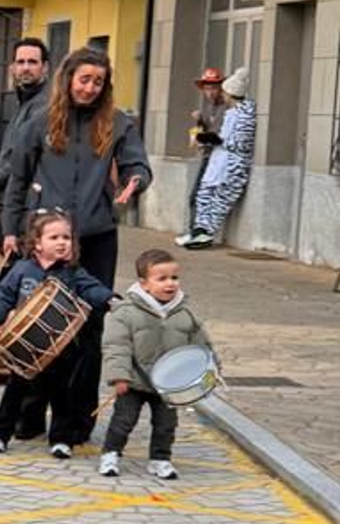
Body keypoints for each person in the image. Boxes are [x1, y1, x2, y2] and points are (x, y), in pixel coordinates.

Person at [0, 47, 149, 441]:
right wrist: (11, 230)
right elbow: (17, 178)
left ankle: (76, 422)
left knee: (88, 330)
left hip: (96, 238)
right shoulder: (40, 121)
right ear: (68, 79)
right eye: (84, 79)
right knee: (37, 325)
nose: (90, 87)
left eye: (98, 82)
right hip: (45, 238)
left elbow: (137, 165)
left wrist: (135, 181)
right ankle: (28, 417)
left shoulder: (118, 123)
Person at [0, 210, 114, 459]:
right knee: (14, 393)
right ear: (37, 244)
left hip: (60, 347)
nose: (62, 242)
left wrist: (110, 299)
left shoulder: (73, 272)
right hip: (25, 348)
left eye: (67, 237)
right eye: (54, 237)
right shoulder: (21, 269)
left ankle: (61, 439)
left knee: (62, 394)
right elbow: (4, 297)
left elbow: (92, 289)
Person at [100, 249, 217, 482]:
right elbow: (116, 346)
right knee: (124, 421)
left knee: (166, 425)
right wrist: (119, 377)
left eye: (174, 277)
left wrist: (210, 373)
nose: (170, 284)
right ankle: (111, 453)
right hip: (134, 380)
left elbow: (201, 348)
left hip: (170, 385)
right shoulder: (125, 313)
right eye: (161, 278)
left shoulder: (186, 314)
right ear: (143, 284)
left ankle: (160, 459)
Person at [182, 71, 254, 248]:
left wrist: (206, 139)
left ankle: (205, 233)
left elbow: (238, 143)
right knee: (203, 196)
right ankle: (199, 231)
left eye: (222, 90)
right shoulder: (232, 112)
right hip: (218, 160)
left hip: (230, 166)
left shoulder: (243, 114)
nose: (220, 94)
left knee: (219, 200)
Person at [0, 35, 51, 210]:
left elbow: (24, 157)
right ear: (12, 68)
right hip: (16, 198)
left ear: (45, 67)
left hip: (33, 204)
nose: (26, 68)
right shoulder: (24, 101)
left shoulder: (44, 105)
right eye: (20, 62)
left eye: (32, 62)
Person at [184, 67, 226, 234]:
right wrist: (200, 121)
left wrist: (202, 137)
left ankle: (197, 232)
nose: (210, 93)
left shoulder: (225, 108)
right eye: (207, 89)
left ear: (221, 88)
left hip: (217, 157)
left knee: (199, 196)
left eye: (214, 88)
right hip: (208, 155)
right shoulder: (208, 107)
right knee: (198, 196)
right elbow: (207, 129)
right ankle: (195, 231)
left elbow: (219, 135)